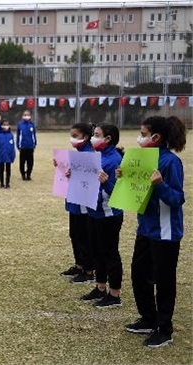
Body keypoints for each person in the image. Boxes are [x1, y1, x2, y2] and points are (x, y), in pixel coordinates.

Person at [124, 116, 186, 348]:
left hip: (166, 232)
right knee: (139, 274)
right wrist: (123, 178)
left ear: (156, 137)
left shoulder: (171, 162)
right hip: (146, 229)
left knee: (164, 280)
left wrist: (160, 184)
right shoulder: (140, 159)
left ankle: (164, 328)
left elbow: (177, 199)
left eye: (143, 133)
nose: (139, 138)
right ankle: (148, 319)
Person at [79, 124, 123, 309]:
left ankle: (114, 294)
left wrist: (105, 183)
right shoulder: (97, 156)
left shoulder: (114, 160)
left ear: (108, 139)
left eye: (97, 135)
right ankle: (100, 287)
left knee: (110, 253)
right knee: (96, 250)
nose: (92, 138)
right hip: (94, 211)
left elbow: (119, 194)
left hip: (109, 214)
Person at [60, 123, 95, 284]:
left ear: (86, 137)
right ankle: (79, 265)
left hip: (83, 204)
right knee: (74, 234)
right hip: (74, 201)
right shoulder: (79, 154)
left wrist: (74, 173)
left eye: (75, 136)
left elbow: (90, 180)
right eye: (71, 135)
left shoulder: (89, 154)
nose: (72, 139)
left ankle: (88, 270)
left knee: (83, 236)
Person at [0, 119, 16, 189]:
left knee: (8, 170)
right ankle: (1, 183)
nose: (6, 126)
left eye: (7, 125)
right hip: (1, 155)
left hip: (8, 156)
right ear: (1, 126)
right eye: (4, 125)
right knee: (1, 170)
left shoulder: (10, 135)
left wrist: (13, 155)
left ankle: (7, 183)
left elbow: (12, 146)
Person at [16, 110, 37, 181]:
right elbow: (18, 135)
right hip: (23, 146)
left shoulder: (32, 124)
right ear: (22, 116)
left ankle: (28, 174)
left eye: (28, 115)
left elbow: (34, 135)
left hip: (30, 147)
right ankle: (23, 175)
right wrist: (18, 145)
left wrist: (34, 144)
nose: (26, 116)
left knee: (30, 162)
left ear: (30, 116)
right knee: (22, 162)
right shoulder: (20, 125)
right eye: (25, 115)